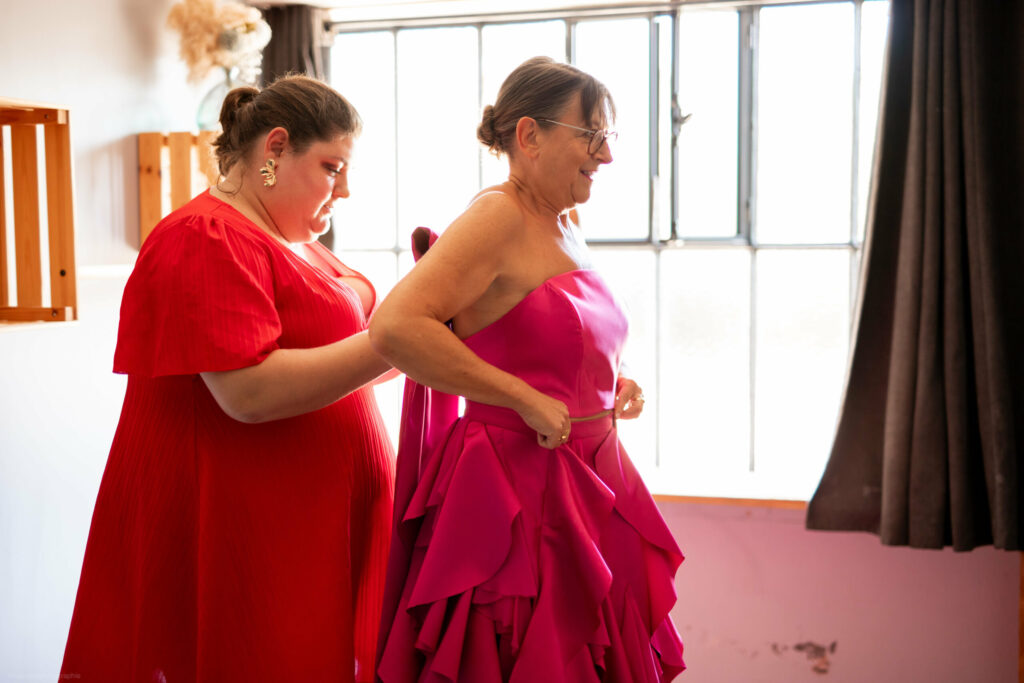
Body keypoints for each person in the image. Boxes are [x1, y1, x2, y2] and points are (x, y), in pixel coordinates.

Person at [61, 75, 395, 682]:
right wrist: (394, 341)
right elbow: (248, 391)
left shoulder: (297, 243)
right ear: (274, 149)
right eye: (331, 167)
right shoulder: (205, 236)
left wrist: (432, 334)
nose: (344, 190)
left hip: (304, 529)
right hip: (244, 533)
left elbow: (347, 363)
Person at [370, 57, 685, 682]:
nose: (607, 156)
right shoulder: (498, 216)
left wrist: (610, 383)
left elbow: (545, 337)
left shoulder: (565, 221)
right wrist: (518, 396)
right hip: (517, 493)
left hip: (590, 477)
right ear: (529, 135)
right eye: (591, 136)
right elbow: (396, 326)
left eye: (608, 137)